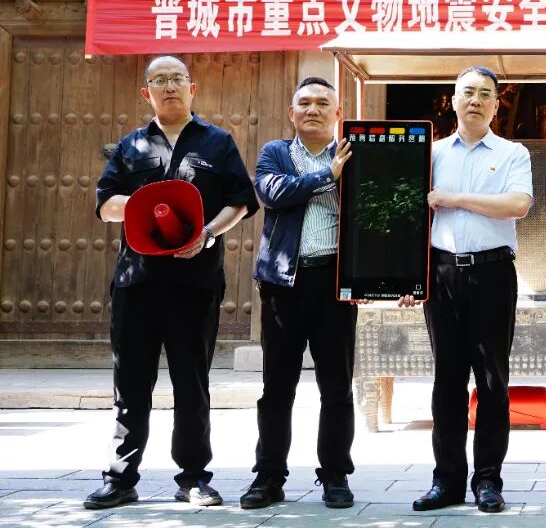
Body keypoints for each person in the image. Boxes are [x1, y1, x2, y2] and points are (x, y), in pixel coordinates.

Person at [85, 55, 258, 510]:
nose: (169, 86)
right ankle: (121, 478)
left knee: (191, 382)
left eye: (177, 78)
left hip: (194, 282)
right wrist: (142, 204)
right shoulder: (131, 145)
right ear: (147, 92)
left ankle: (194, 478)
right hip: (137, 282)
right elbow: (105, 205)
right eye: (159, 80)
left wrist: (208, 233)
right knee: (130, 384)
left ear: (191, 88)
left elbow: (241, 200)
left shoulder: (218, 142)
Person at [407, 66, 533, 514]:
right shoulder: (432, 153)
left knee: (493, 381)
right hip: (441, 274)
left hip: (492, 274)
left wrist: (455, 198)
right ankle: (446, 481)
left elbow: (518, 205)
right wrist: (408, 275)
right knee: (447, 382)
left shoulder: (513, 153)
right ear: (453, 100)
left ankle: (488, 481)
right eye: (468, 93)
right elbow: (410, 215)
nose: (476, 100)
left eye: (485, 94)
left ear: (496, 104)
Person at [239, 76, 363, 510]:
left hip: (334, 284)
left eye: (322, 103)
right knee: (277, 387)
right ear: (291, 113)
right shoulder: (276, 153)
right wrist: (327, 176)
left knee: (337, 386)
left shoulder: (352, 154)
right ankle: (268, 477)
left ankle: (335, 476)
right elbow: (273, 193)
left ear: (337, 113)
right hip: (283, 284)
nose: (313, 110)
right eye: (304, 103)